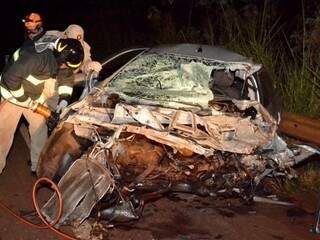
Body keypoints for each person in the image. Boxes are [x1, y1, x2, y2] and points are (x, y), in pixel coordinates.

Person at [0, 38, 84, 174]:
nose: (68, 69)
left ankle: (37, 167)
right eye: (67, 66)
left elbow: (66, 77)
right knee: (3, 134)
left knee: (40, 129)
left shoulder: (61, 59)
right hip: (12, 93)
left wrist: (63, 101)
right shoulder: (36, 57)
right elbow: (10, 78)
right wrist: (25, 101)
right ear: (60, 59)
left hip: (34, 94)